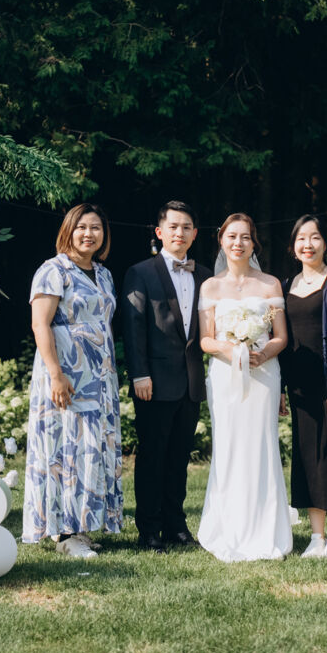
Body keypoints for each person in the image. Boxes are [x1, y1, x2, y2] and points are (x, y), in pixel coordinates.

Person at [22, 203, 122, 559]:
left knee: (91, 448)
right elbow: (40, 324)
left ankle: (80, 526)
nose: (89, 234)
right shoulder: (53, 271)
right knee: (66, 447)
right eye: (81, 227)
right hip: (66, 374)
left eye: (96, 228)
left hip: (99, 377)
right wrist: (55, 374)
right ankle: (64, 533)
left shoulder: (104, 274)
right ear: (68, 230)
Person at [195, 213, 293, 561]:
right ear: (221, 240)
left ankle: (266, 528)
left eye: (245, 237)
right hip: (225, 376)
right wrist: (231, 350)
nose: (238, 243)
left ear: (254, 244)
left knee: (262, 444)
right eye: (232, 236)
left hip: (263, 374)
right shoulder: (210, 287)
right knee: (229, 445)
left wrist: (262, 353)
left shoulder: (269, 284)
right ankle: (228, 527)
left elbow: (281, 336)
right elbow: (205, 339)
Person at [120, 201, 212, 553]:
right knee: (152, 457)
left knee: (179, 458)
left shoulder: (205, 276)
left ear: (195, 234)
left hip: (190, 381)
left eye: (186, 227)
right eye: (173, 226)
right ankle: (149, 528)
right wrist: (139, 374)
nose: (180, 233)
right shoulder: (141, 272)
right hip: (154, 381)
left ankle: (176, 525)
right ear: (160, 232)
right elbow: (133, 327)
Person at [280, 215, 327, 559]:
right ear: (293, 246)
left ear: (326, 243)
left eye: (314, 238)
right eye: (301, 238)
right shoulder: (286, 285)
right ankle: (316, 537)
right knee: (307, 458)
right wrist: (283, 388)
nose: (307, 244)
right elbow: (284, 341)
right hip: (300, 389)